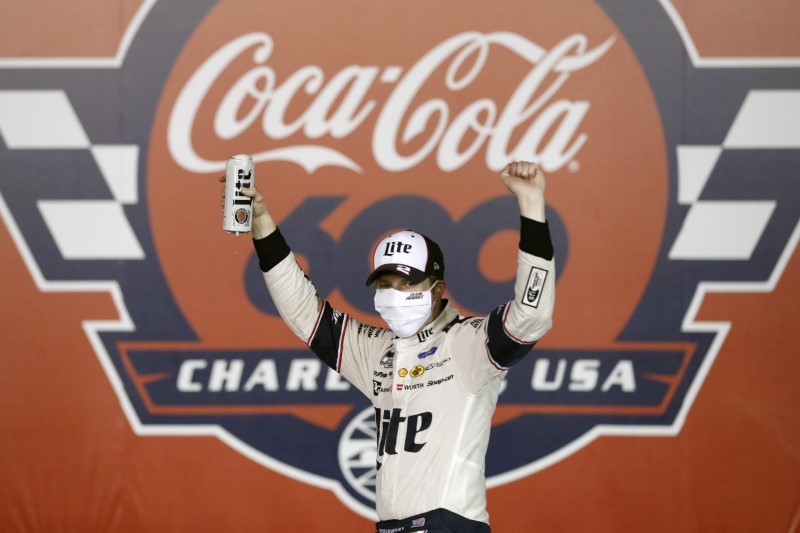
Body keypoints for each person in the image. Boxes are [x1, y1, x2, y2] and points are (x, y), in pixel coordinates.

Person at [233, 161, 555, 533]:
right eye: (384, 284)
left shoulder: (466, 343)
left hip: (449, 526)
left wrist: (531, 207)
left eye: (406, 284)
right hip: (391, 527)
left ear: (438, 289)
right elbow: (303, 311)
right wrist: (261, 223)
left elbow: (531, 315)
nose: (393, 295)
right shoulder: (377, 351)